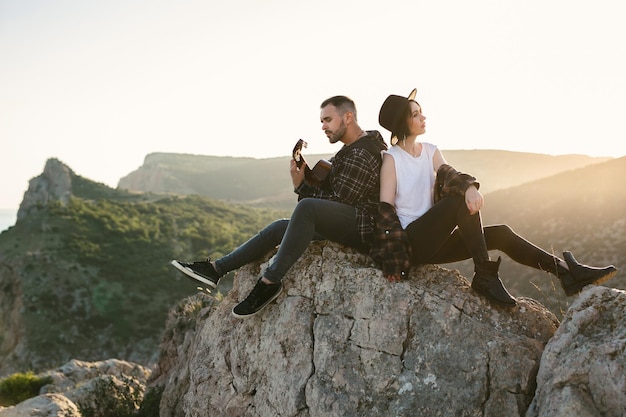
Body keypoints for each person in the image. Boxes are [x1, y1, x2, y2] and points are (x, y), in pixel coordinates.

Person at [370, 88, 618, 307]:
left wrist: (469, 187)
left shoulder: (431, 151)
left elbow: (449, 174)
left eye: (421, 111)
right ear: (402, 122)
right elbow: (386, 212)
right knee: (457, 201)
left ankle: (566, 272)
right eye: (415, 114)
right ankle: (485, 276)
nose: (423, 117)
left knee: (501, 233)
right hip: (413, 244)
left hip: (436, 243)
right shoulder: (392, 158)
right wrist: (395, 261)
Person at [172, 95, 387, 318]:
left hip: (363, 227)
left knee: (306, 208)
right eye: (322, 121)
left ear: (348, 117)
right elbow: (335, 198)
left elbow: (336, 203)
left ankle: (269, 281)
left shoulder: (362, 153)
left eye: (328, 120)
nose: (323, 126)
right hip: (349, 218)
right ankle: (215, 269)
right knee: (279, 227)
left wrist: (301, 186)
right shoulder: (353, 148)